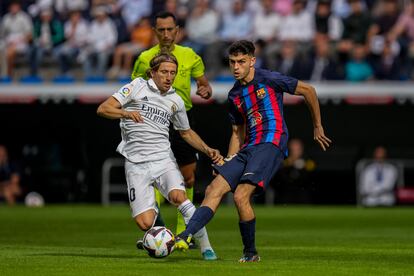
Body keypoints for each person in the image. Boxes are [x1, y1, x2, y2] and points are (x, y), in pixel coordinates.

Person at [175, 40, 332, 262]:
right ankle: (185, 236)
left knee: (240, 196)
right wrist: (228, 160)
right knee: (213, 188)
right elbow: (237, 133)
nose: (236, 67)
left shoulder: (268, 78)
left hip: (271, 141)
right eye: (232, 62)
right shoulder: (234, 95)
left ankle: (250, 253)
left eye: (241, 62)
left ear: (252, 61)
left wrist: (317, 125)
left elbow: (308, 90)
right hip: (249, 147)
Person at [97, 53, 219, 260]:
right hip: (136, 163)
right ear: (152, 72)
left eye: (172, 73)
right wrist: (125, 113)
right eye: (164, 72)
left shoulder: (176, 100)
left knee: (179, 197)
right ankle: (158, 236)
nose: (168, 77)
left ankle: (206, 247)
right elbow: (103, 109)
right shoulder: (137, 86)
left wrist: (208, 149)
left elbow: (186, 132)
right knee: (144, 223)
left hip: (163, 159)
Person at [130, 11, 213, 245]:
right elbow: (134, 89)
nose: (166, 34)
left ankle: (184, 234)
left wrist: (205, 90)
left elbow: (204, 84)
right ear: (154, 32)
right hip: (153, 121)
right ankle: (156, 233)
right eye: (161, 30)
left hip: (183, 119)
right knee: (152, 176)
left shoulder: (190, 56)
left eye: (170, 29)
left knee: (187, 178)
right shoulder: (145, 58)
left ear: (177, 30)